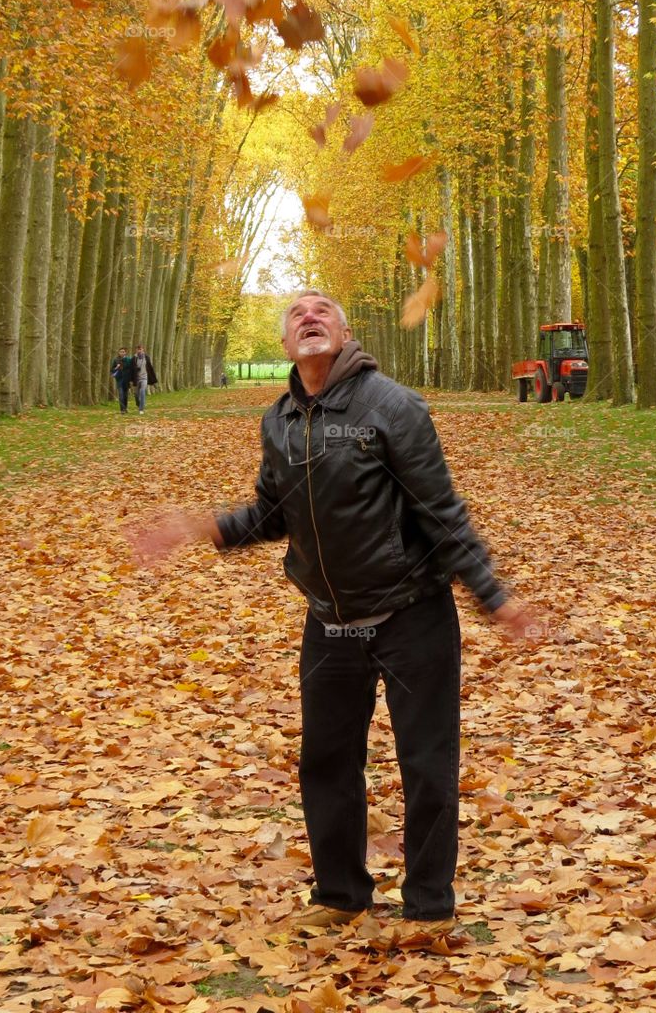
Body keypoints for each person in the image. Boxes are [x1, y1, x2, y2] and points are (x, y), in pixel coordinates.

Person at [128, 289, 539, 932]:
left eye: (322, 310)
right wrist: (197, 527)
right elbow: (270, 513)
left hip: (411, 613)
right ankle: (340, 896)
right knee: (326, 762)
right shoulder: (281, 421)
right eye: (297, 313)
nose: (309, 317)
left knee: (426, 764)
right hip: (329, 622)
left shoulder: (393, 408)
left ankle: (429, 906)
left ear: (345, 333)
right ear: (287, 343)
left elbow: (440, 510)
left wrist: (493, 595)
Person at [132, 344, 157, 413]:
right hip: (137, 379)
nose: (139, 350)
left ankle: (141, 409)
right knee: (136, 394)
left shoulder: (146, 357)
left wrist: (153, 380)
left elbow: (150, 368)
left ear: (143, 350)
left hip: (144, 378)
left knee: (142, 391)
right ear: (136, 350)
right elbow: (131, 369)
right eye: (138, 349)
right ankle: (139, 404)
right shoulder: (134, 358)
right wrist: (136, 369)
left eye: (140, 349)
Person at [110, 347, 133, 413]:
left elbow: (131, 370)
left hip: (126, 380)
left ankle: (125, 408)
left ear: (125, 352)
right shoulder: (116, 360)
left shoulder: (129, 360)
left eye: (123, 352)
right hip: (119, 379)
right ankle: (122, 409)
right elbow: (111, 370)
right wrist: (116, 367)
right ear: (118, 353)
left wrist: (131, 379)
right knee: (121, 394)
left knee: (125, 395)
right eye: (120, 352)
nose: (122, 353)